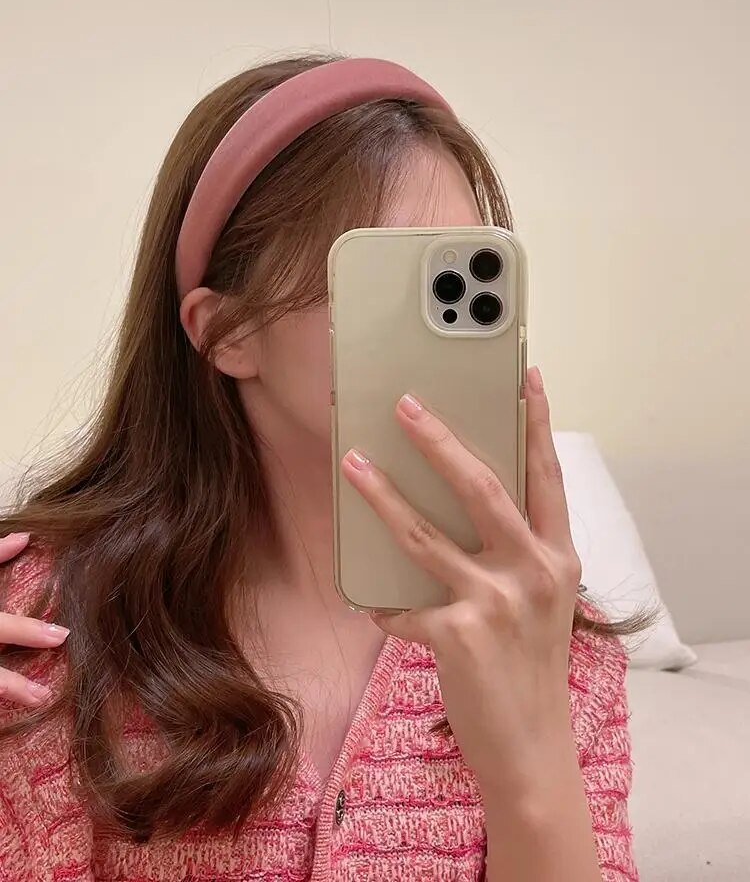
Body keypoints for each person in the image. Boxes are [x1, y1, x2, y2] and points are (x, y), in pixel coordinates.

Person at [0, 55, 639, 881]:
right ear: (225, 332)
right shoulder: (48, 627)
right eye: (382, 281)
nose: (438, 336)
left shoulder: (549, 635)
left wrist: (534, 761)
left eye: (458, 277)